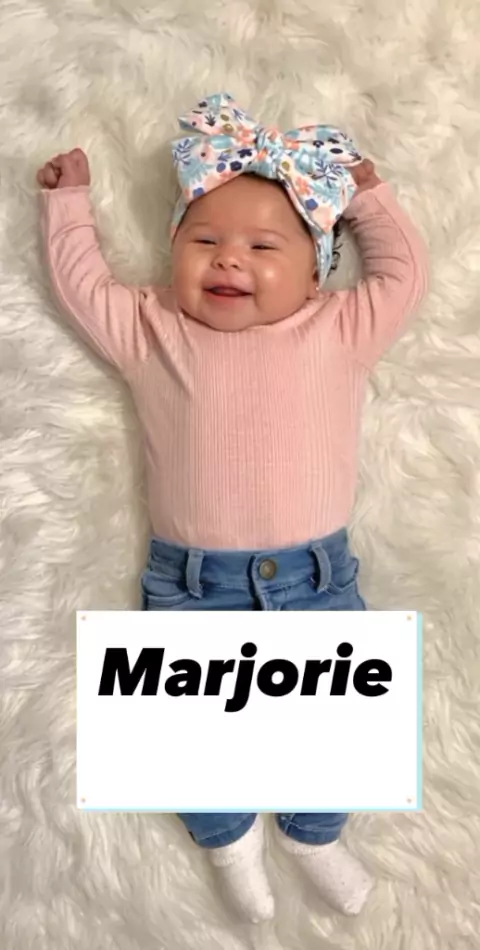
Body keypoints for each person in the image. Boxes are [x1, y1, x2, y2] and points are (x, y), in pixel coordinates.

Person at [37, 92, 429, 923]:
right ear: (173, 252)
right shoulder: (151, 329)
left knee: (344, 725)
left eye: (263, 246)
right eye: (204, 241)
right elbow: (84, 288)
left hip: (318, 581)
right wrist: (67, 205)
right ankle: (229, 840)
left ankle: (316, 833)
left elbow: (403, 275)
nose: (228, 262)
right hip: (191, 586)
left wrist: (366, 196)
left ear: (316, 271)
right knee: (183, 735)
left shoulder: (340, 328)